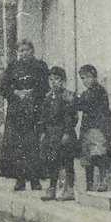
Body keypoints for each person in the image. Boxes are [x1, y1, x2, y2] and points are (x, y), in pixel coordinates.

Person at [0, 39, 49, 191]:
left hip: (35, 111)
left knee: (33, 145)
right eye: (21, 50)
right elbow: (3, 87)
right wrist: (16, 93)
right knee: (17, 146)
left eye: (27, 50)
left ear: (32, 51)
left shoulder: (40, 66)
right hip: (17, 112)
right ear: (17, 53)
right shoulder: (12, 67)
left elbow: (46, 86)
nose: (24, 53)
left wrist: (32, 93)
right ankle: (19, 179)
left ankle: (35, 180)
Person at [38, 66, 80, 201]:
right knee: (52, 161)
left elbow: (71, 116)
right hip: (51, 134)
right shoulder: (48, 97)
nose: (53, 82)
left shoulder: (68, 96)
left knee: (67, 161)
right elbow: (44, 117)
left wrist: (67, 132)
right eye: (50, 79)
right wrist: (43, 132)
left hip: (64, 133)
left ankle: (69, 189)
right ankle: (52, 188)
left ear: (63, 81)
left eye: (57, 79)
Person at [73, 64, 111, 192]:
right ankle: (89, 183)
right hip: (87, 129)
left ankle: (103, 181)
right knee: (87, 158)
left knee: (99, 155)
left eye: (89, 77)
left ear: (95, 77)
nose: (86, 80)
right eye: (83, 78)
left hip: (98, 128)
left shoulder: (99, 91)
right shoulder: (85, 93)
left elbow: (88, 106)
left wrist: (74, 101)